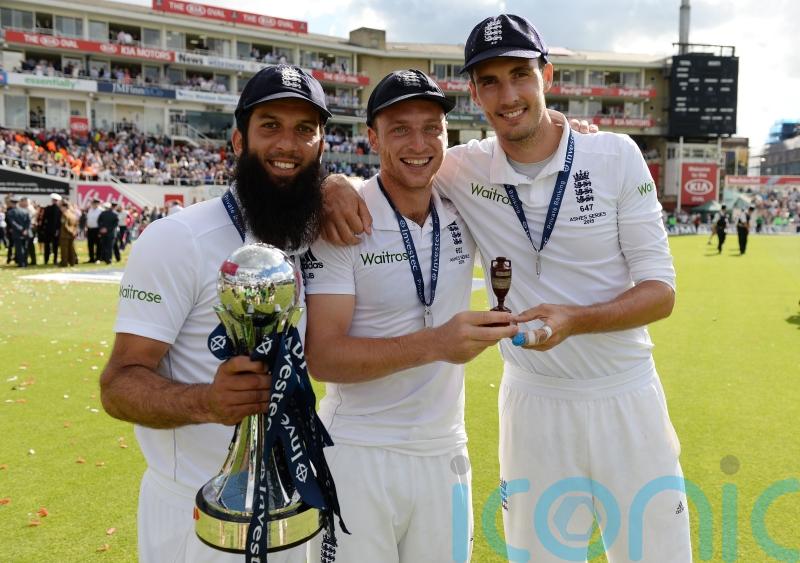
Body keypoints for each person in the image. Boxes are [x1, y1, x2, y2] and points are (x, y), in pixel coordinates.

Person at [323, 14, 688, 562]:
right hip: (533, 401)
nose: (508, 94)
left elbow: (661, 291)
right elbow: (395, 170)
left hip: (626, 393)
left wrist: (575, 319)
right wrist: (329, 183)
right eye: (490, 81)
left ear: (548, 75)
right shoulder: (461, 167)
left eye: (520, 74)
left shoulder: (614, 155)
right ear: (474, 92)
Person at [99, 64, 333, 563]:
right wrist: (207, 401)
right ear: (237, 140)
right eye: (270, 125)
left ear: (321, 146)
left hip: (292, 501)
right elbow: (118, 384)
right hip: (197, 510)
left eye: (304, 129)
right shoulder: (177, 239)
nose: (287, 145)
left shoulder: (311, 234)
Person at [304, 70, 518, 562]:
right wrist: (436, 344)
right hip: (357, 451)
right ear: (372, 137)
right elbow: (324, 356)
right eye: (400, 129)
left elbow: (533, 154)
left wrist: (580, 135)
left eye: (431, 128)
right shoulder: (346, 215)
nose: (418, 143)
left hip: (445, 452)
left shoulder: (465, 202)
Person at [6, 196, 30, 267]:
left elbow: (13, 223)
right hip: (25, 233)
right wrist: (25, 229)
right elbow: (28, 221)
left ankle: (21, 263)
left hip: (17, 233)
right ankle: (25, 262)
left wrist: (21, 229)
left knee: (19, 249)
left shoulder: (10, 212)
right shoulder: (25, 211)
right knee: (25, 248)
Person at [41, 193, 63, 265]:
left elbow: (44, 220)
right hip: (53, 230)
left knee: (49, 246)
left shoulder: (48, 208)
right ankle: (53, 260)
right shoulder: (59, 210)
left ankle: (47, 260)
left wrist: (42, 228)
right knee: (54, 246)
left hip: (49, 230)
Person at [58, 200, 79, 267]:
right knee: (71, 249)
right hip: (72, 235)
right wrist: (74, 232)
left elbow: (65, 225)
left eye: (61, 207)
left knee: (64, 250)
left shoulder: (64, 214)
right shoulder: (73, 215)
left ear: (65, 207)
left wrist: (70, 231)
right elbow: (76, 225)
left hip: (65, 235)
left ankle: (64, 263)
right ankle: (72, 262)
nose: (61, 209)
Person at [86, 198, 102, 263]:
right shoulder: (90, 210)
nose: (93, 204)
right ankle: (91, 258)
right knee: (90, 244)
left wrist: (100, 231)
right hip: (90, 229)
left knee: (98, 245)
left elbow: (102, 221)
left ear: (97, 203)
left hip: (97, 229)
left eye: (94, 203)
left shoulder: (101, 210)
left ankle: (98, 258)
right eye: (92, 203)